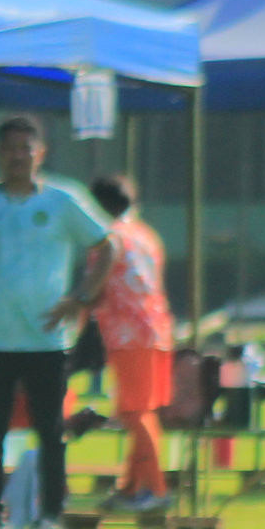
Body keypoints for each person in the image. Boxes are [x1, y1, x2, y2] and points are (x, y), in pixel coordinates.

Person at [0, 116, 113, 529]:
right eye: (9, 149)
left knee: (50, 431)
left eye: (26, 148)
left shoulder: (62, 198)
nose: (17, 156)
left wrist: (81, 296)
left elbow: (106, 245)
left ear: (41, 153)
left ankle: (51, 518)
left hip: (45, 337)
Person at [86, 174, 175, 510]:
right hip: (156, 330)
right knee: (138, 411)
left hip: (129, 334)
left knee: (135, 412)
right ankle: (132, 488)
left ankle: (157, 490)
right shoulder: (146, 234)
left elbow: (93, 288)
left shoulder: (108, 238)